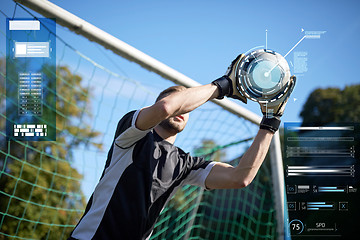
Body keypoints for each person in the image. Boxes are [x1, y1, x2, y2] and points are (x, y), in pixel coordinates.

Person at [68, 54, 296, 240]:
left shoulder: (185, 164)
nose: (183, 111)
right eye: (182, 104)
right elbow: (167, 107)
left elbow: (241, 177)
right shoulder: (131, 134)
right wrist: (223, 86)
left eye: (188, 108)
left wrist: (270, 123)